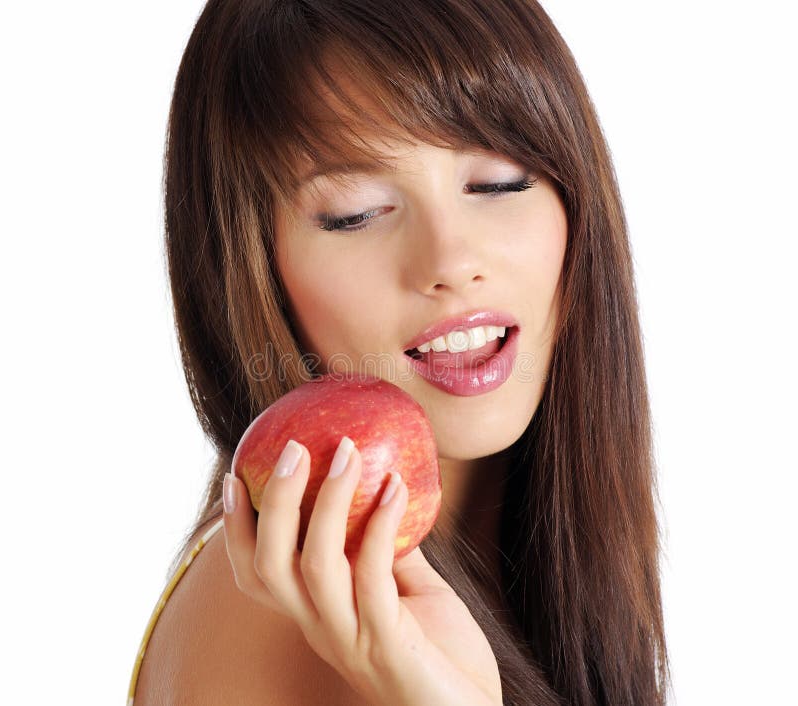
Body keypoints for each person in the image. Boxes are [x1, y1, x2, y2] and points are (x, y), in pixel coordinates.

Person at [127, 1, 670, 704]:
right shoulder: (285, 622)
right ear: (254, 270)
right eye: (356, 212)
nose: (451, 259)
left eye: (498, 182)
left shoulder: (520, 561)